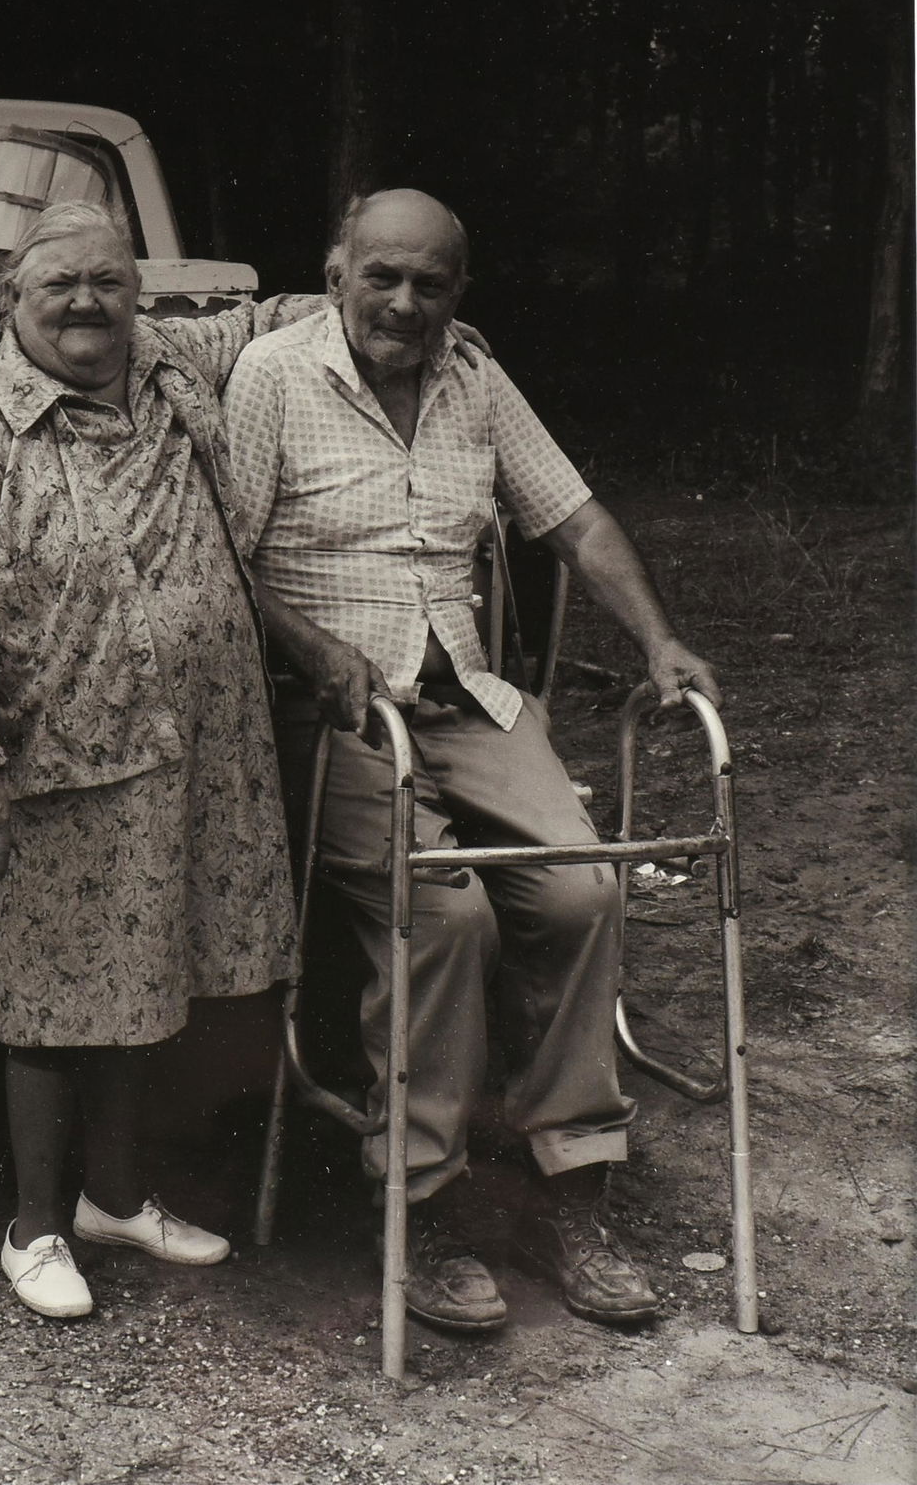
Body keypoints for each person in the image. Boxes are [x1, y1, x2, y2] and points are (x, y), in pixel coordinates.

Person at [222, 188, 722, 1331]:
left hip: (463, 697)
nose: (405, 302)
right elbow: (224, 559)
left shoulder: (473, 377)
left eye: (430, 283)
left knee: (584, 885)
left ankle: (571, 1190)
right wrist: (313, 647)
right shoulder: (273, 377)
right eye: (383, 276)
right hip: (333, 709)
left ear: (458, 291)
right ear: (337, 270)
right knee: (440, 916)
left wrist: (656, 636)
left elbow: (577, 519)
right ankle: (425, 1205)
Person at [0, 201, 325, 1320]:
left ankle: (117, 1197)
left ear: (140, 296)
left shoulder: (168, 360)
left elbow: (276, 315)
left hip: (189, 745)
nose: (87, 302)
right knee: (47, 991)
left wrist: (383, 314)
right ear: (10, 305)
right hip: (54, 753)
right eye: (59, 287)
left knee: (144, 973)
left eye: (109, 282)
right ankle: (34, 1225)